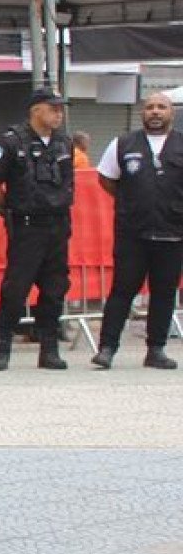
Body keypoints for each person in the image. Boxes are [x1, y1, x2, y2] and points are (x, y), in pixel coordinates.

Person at [0, 88, 75, 371]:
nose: (59, 114)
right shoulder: (12, 141)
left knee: (54, 289)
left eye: (60, 109)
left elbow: (68, 181)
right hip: (27, 226)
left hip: (57, 225)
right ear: (36, 110)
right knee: (16, 289)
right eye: (53, 108)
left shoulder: (64, 143)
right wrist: (7, 210)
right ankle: (2, 348)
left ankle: (49, 349)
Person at [93, 91, 182, 370]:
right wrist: (132, 201)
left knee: (164, 293)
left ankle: (156, 349)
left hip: (173, 233)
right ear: (142, 113)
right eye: (150, 107)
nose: (155, 112)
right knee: (122, 290)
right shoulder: (122, 143)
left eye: (161, 107)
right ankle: (107, 348)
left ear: (172, 113)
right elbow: (107, 179)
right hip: (133, 234)